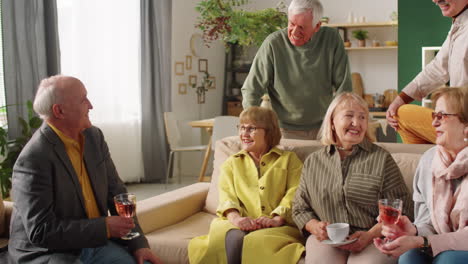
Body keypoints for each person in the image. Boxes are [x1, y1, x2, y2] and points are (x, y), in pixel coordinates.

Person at [8, 75, 162, 264]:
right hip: (48, 252)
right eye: (83, 100)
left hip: (93, 244)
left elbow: (118, 194)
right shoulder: (34, 158)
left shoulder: (94, 137)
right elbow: (41, 230)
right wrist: (103, 227)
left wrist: (139, 244)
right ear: (59, 111)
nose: (90, 105)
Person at [292, 92, 413, 264]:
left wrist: (371, 234)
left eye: (362, 117)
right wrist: (314, 227)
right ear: (332, 122)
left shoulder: (381, 159)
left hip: (374, 238)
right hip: (328, 240)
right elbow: (299, 208)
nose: (357, 123)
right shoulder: (314, 162)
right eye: (349, 116)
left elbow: (402, 208)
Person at [188, 106, 304, 264]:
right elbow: (227, 195)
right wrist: (236, 219)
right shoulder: (231, 163)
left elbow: (295, 192)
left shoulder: (289, 160)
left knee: (257, 242)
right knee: (230, 236)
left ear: (269, 132)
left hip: (277, 225)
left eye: (251, 128)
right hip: (235, 221)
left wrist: (277, 218)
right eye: (242, 127)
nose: (244, 134)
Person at [375, 87, 468, 263]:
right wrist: (413, 231)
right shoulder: (429, 160)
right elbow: (427, 222)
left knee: (448, 259)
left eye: (442, 116)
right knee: (409, 256)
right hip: (438, 243)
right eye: (435, 116)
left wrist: (423, 241)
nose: (433, 123)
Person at [241, 0, 352, 140]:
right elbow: (252, 89)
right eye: (291, 24)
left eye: (302, 27)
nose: (294, 32)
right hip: (283, 130)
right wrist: (251, 126)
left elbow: (344, 87)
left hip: (324, 128)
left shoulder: (331, 39)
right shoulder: (273, 43)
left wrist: (339, 123)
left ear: (317, 26)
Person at [386, 0, 468, 144]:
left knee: (402, 115)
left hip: (463, 125)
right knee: (400, 114)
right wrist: (401, 98)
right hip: (458, 119)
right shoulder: (460, 24)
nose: (435, 0)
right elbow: (438, 68)